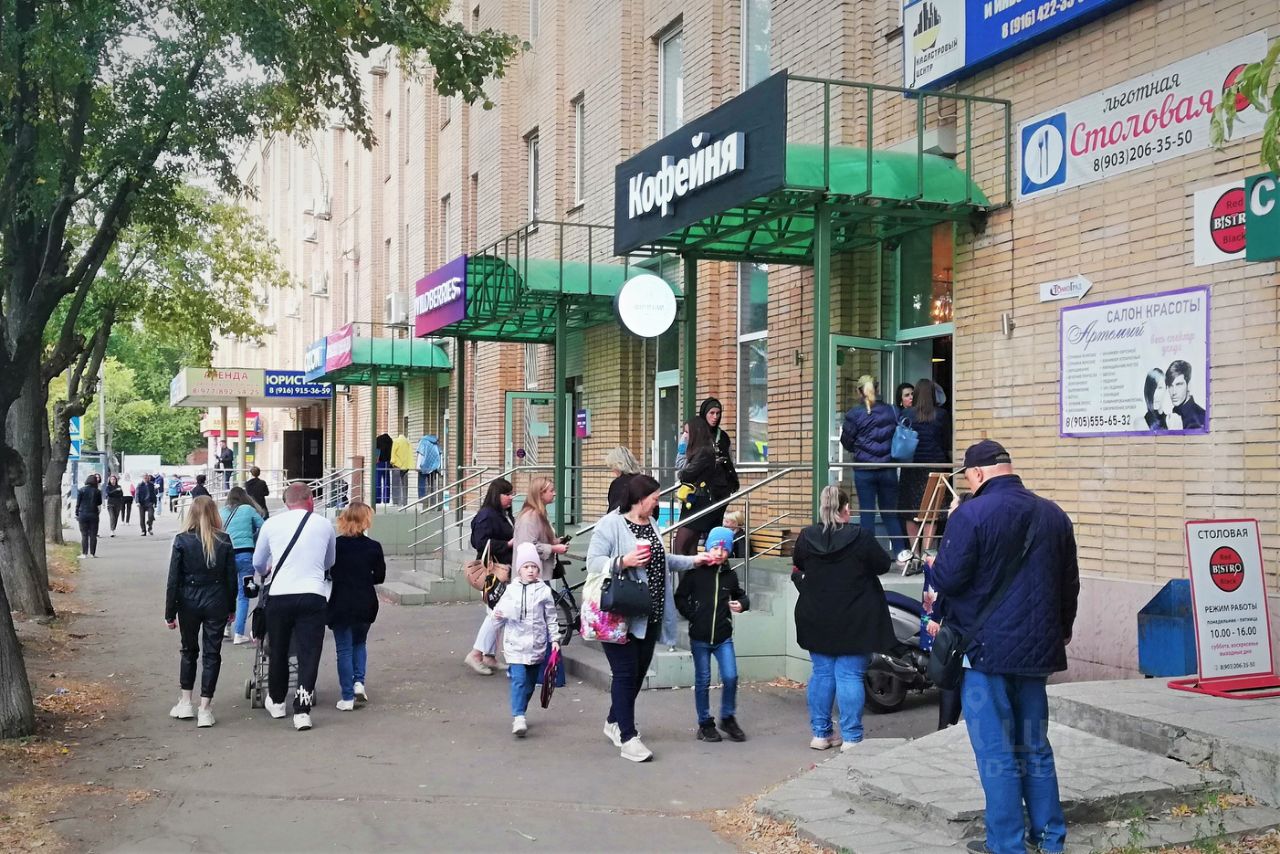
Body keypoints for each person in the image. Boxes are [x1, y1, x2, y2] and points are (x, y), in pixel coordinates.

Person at [929, 440, 1079, 854]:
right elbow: (1069, 583)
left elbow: (948, 579)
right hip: (1036, 655)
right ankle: (1050, 839)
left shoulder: (970, 514)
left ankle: (1007, 845)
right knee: (1034, 746)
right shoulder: (1054, 514)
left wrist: (937, 557)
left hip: (985, 656)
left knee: (996, 753)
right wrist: (1062, 630)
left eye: (967, 477)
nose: (968, 484)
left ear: (977, 474)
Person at [586, 475, 713, 762]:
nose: (657, 503)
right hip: (619, 614)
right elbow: (593, 562)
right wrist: (623, 561)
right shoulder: (611, 524)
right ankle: (628, 737)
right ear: (639, 498)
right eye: (654, 498)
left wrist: (695, 561)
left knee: (637, 674)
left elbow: (663, 561)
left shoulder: (652, 524)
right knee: (625, 673)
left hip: (650, 613)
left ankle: (614, 721)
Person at [791, 485, 895, 752]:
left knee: (822, 673)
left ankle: (820, 734)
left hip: (816, 615)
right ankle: (851, 738)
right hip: (855, 616)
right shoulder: (861, 537)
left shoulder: (806, 536)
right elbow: (883, 564)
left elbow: (800, 563)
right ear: (846, 509)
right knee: (849, 675)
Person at [252, 482, 337, 731]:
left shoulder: (271, 524)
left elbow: (258, 562)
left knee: (278, 649)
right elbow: (330, 560)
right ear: (310, 499)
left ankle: (277, 701)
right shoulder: (324, 524)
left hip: (279, 594)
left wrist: (267, 570)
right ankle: (302, 711)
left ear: (286, 501)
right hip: (312, 594)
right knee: (309, 653)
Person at [164, 495, 237, 728]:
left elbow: (173, 579)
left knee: (188, 650)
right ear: (215, 513)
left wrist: (169, 612)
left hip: (188, 600)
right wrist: (231, 607)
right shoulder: (224, 540)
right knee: (212, 653)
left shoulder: (181, 540)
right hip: (216, 599)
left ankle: (186, 701)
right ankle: (205, 708)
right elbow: (231, 578)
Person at [674, 525, 748, 743]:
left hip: (723, 637)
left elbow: (741, 595)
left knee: (731, 676)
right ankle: (705, 723)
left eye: (724, 549)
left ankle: (728, 717)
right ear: (708, 548)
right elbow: (680, 597)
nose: (719, 553)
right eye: (715, 548)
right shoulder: (695, 573)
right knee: (703, 679)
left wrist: (742, 604)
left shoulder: (730, 576)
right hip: (700, 637)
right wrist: (693, 615)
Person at [492, 543, 560, 738]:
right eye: (526, 566)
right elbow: (498, 616)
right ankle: (518, 716)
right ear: (519, 570)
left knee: (529, 684)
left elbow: (551, 617)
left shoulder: (544, 591)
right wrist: (498, 615)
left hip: (536, 645)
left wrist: (555, 639)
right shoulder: (510, 591)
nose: (530, 570)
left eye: (534, 567)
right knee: (519, 680)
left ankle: (521, 708)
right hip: (515, 645)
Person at [839, 374, 907, 555]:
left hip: (864, 470)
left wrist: (860, 450)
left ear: (859, 392)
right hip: (888, 469)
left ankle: (868, 557)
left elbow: (846, 441)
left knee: (867, 515)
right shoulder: (892, 410)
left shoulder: (854, 414)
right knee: (890, 514)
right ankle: (901, 554)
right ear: (877, 389)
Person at [328, 502, 386, 710]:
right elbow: (380, 577)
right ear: (366, 521)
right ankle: (359, 683)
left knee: (344, 649)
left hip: (340, 601)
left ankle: (347, 697)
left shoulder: (335, 546)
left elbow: (327, 570)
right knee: (359, 643)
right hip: (365, 601)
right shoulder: (374, 546)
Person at [464, 478, 515, 675]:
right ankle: (476, 653)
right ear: (497, 495)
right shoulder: (487, 515)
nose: (511, 498)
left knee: (494, 612)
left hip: (501, 568)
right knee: (497, 613)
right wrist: (507, 544)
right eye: (507, 494)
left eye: (511, 494)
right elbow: (480, 542)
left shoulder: (502, 514)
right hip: (493, 570)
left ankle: (489, 655)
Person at [899, 377, 951, 550]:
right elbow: (946, 442)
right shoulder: (941, 414)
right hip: (936, 466)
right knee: (932, 512)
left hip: (912, 467)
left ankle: (913, 552)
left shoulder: (907, 414)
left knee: (910, 512)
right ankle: (927, 552)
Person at [674, 418, 736, 556]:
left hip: (699, 501)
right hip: (698, 499)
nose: (684, 436)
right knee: (690, 545)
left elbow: (685, 473)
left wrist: (681, 450)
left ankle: (685, 570)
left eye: (687, 432)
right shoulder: (701, 450)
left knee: (681, 544)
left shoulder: (704, 452)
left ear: (695, 433)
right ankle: (693, 570)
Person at [220, 487, 265, 645]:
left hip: (226, 555)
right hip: (246, 554)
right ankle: (239, 633)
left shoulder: (222, 512)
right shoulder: (248, 509)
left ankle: (225, 628)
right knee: (243, 594)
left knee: (227, 592)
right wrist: (252, 537)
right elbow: (263, 526)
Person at [513, 476, 569, 581]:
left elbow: (539, 539)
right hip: (530, 578)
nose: (554, 493)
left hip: (539, 575)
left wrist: (556, 542)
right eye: (551, 491)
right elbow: (527, 547)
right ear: (541, 494)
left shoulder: (540, 514)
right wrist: (553, 548)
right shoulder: (529, 518)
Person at [1166, 360, 1205, 430]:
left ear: (1188, 385)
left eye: (1179, 385)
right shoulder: (1171, 416)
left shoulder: (1201, 417)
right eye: (1170, 386)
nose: (1174, 392)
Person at [604, 446, 641, 514]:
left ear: (618, 466)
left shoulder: (617, 484)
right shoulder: (644, 481)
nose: (612, 470)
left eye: (612, 466)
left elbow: (614, 510)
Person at [75, 474, 103, 558]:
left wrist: (77, 513)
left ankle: (84, 553)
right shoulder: (97, 491)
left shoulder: (81, 490)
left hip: (83, 513)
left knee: (84, 534)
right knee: (93, 534)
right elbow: (99, 503)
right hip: (94, 514)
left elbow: (78, 503)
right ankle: (92, 553)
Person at [415, 434, 442, 501]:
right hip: (433, 466)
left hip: (424, 465)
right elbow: (439, 453)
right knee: (432, 482)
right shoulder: (435, 442)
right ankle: (432, 497)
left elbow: (420, 454)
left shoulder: (423, 442)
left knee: (421, 481)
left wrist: (418, 466)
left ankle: (422, 497)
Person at [391, 432, 413, 505]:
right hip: (406, 466)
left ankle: (396, 501)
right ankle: (405, 501)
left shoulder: (396, 441)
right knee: (405, 484)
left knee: (396, 484)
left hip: (397, 465)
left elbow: (393, 452)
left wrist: (392, 461)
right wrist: (410, 464)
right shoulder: (408, 442)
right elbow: (410, 454)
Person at [374, 432, 393, 505]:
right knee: (386, 481)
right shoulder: (390, 441)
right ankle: (386, 499)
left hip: (379, 463)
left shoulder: (377, 440)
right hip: (387, 463)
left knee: (378, 481)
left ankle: (377, 499)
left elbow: (376, 451)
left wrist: (376, 460)